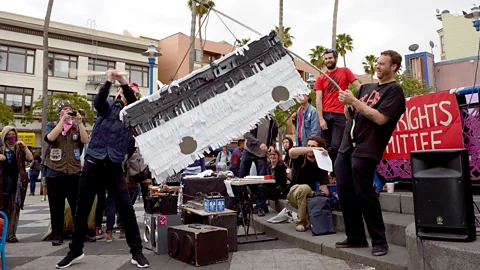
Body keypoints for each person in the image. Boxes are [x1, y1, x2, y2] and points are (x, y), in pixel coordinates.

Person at [56, 70, 150, 269]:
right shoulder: (108, 108)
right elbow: (98, 101)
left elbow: (132, 101)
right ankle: (75, 250)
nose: (125, 95)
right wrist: (108, 81)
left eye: (129, 93)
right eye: (123, 93)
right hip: (94, 162)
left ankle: (137, 252)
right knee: (82, 209)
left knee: (126, 207)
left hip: (114, 165)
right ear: (117, 96)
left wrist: (123, 81)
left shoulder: (133, 114)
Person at [335, 50, 406, 257]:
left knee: (364, 193)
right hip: (347, 144)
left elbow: (381, 118)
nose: (378, 66)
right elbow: (353, 113)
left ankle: (379, 240)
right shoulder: (365, 88)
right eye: (377, 62)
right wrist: (348, 104)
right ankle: (355, 236)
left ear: (393, 67)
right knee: (345, 191)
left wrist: (355, 102)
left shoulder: (394, 91)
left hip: (368, 147)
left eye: (382, 64)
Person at [44, 102, 89, 246]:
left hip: (73, 172)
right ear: (59, 113)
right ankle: (57, 234)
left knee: (77, 206)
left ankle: (80, 233)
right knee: (56, 207)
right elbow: (50, 138)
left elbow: (85, 140)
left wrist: (80, 123)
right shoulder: (52, 125)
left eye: (70, 110)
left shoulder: (75, 128)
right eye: (65, 110)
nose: (68, 112)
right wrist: (62, 121)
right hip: (54, 171)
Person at [314, 49, 361, 182]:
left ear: (335, 59)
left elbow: (358, 86)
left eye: (330, 58)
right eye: (326, 58)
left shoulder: (345, 71)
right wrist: (321, 118)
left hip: (339, 114)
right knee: (324, 145)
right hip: (325, 114)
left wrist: (365, 97)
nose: (328, 60)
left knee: (336, 145)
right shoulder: (321, 77)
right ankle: (328, 176)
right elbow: (318, 99)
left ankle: (335, 174)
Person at [285, 136, 329, 232]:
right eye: (308, 146)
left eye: (313, 146)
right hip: (293, 192)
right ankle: (301, 222)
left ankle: (312, 219)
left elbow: (324, 188)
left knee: (311, 192)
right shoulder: (300, 157)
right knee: (305, 188)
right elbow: (291, 152)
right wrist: (314, 148)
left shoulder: (321, 164)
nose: (310, 148)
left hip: (309, 195)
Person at [239, 115, 278, 216]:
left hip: (262, 155)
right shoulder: (253, 117)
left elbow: (273, 138)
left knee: (262, 180)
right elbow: (246, 134)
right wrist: (259, 143)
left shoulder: (273, 121)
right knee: (242, 177)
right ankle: (243, 205)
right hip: (248, 151)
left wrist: (272, 146)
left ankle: (260, 206)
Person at [0, 126, 33, 242]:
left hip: (16, 182)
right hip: (2, 182)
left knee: (14, 207)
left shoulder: (19, 148)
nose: (11, 137)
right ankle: (1, 234)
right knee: (2, 208)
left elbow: (30, 158)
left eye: (13, 134)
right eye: (8, 135)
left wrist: (25, 148)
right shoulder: (1, 149)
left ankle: (11, 234)